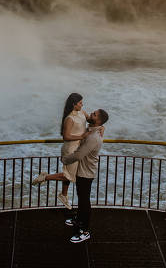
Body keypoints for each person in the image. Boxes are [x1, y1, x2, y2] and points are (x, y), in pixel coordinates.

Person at [31, 93, 98, 209]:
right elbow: (66, 137)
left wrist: (101, 127)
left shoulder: (82, 112)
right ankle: (45, 177)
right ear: (74, 104)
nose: (82, 104)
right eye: (80, 103)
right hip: (70, 148)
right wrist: (82, 136)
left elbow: (92, 121)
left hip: (78, 147)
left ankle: (64, 195)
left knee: (70, 173)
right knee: (69, 176)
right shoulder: (69, 118)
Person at [61, 108, 108, 243]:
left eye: (94, 114)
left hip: (86, 172)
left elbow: (79, 155)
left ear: (98, 120)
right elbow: (87, 116)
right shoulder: (93, 129)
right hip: (83, 170)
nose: (91, 114)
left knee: (84, 201)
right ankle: (78, 220)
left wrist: (65, 159)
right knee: (81, 198)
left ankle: (85, 230)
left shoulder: (93, 137)